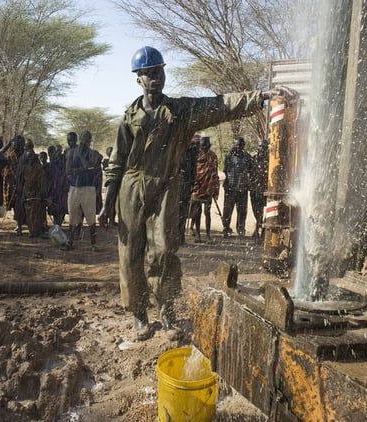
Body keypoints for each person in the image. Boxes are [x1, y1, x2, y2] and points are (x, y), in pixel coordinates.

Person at [98, 46, 294, 341]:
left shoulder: (181, 111)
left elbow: (220, 105)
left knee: (164, 251)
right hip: (131, 189)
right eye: (149, 74)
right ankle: (139, 315)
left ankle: (166, 312)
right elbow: (116, 164)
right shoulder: (129, 117)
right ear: (138, 78)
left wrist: (262, 96)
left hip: (165, 187)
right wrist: (107, 204)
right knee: (130, 255)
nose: (156, 78)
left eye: (159, 72)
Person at [65, 130, 102, 251]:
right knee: (72, 216)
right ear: (80, 138)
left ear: (90, 140)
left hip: (88, 188)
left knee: (90, 217)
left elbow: (89, 166)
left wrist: (80, 158)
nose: (85, 140)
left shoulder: (94, 153)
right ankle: (70, 242)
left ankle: (93, 244)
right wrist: (82, 169)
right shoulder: (71, 153)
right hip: (74, 187)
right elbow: (68, 170)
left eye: (87, 138)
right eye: (83, 138)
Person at [189, 136, 219, 243]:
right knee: (197, 212)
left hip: (209, 187)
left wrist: (216, 189)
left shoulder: (213, 156)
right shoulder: (195, 156)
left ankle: (208, 235)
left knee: (207, 212)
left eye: (206, 146)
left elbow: (215, 174)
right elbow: (192, 171)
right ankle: (197, 235)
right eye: (202, 146)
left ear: (209, 146)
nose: (204, 148)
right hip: (197, 187)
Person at [222, 137, 253, 237]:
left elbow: (251, 171)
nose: (239, 147)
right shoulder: (229, 157)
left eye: (240, 145)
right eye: (237, 145)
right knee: (227, 210)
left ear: (243, 146)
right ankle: (226, 228)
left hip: (242, 188)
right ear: (234, 145)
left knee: (242, 211)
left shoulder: (247, 157)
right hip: (230, 188)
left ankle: (240, 229)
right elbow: (226, 171)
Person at [178, 135, 200, 244]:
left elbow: (193, 170)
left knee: (183, 210)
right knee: (179, 210)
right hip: (179, 184)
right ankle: (177, 236)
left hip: (186, 185)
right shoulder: (181, 151)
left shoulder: (192, 153)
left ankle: (180, 236)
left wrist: (191, 183)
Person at [250, 139, 269, 238]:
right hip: (254, 189)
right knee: (256, 210)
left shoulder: (271, 160)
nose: (262, 149)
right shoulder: (253, 159)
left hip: (265, 190)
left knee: (264, 210)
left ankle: (260, 229)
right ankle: (258, 226)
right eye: (261, 146)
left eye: (264, 147)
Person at [47, 144, 69, 226]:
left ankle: (58, 223)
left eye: (60, 151)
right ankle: (57, 224)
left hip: (63, 188)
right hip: (54, 189)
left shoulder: (65, 162)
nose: (58, 153)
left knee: (62, 207)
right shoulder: (53, 163)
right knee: (55, 207)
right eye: (57, 151)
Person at [2, 135, 24, 213]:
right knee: (15, 202)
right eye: (15, 144)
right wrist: (8, 145)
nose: (17, 146)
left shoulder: (26, 156)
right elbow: (6, 171)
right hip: (12, 183)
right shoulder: (10, 157)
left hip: (24, 183)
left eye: (19, 144)